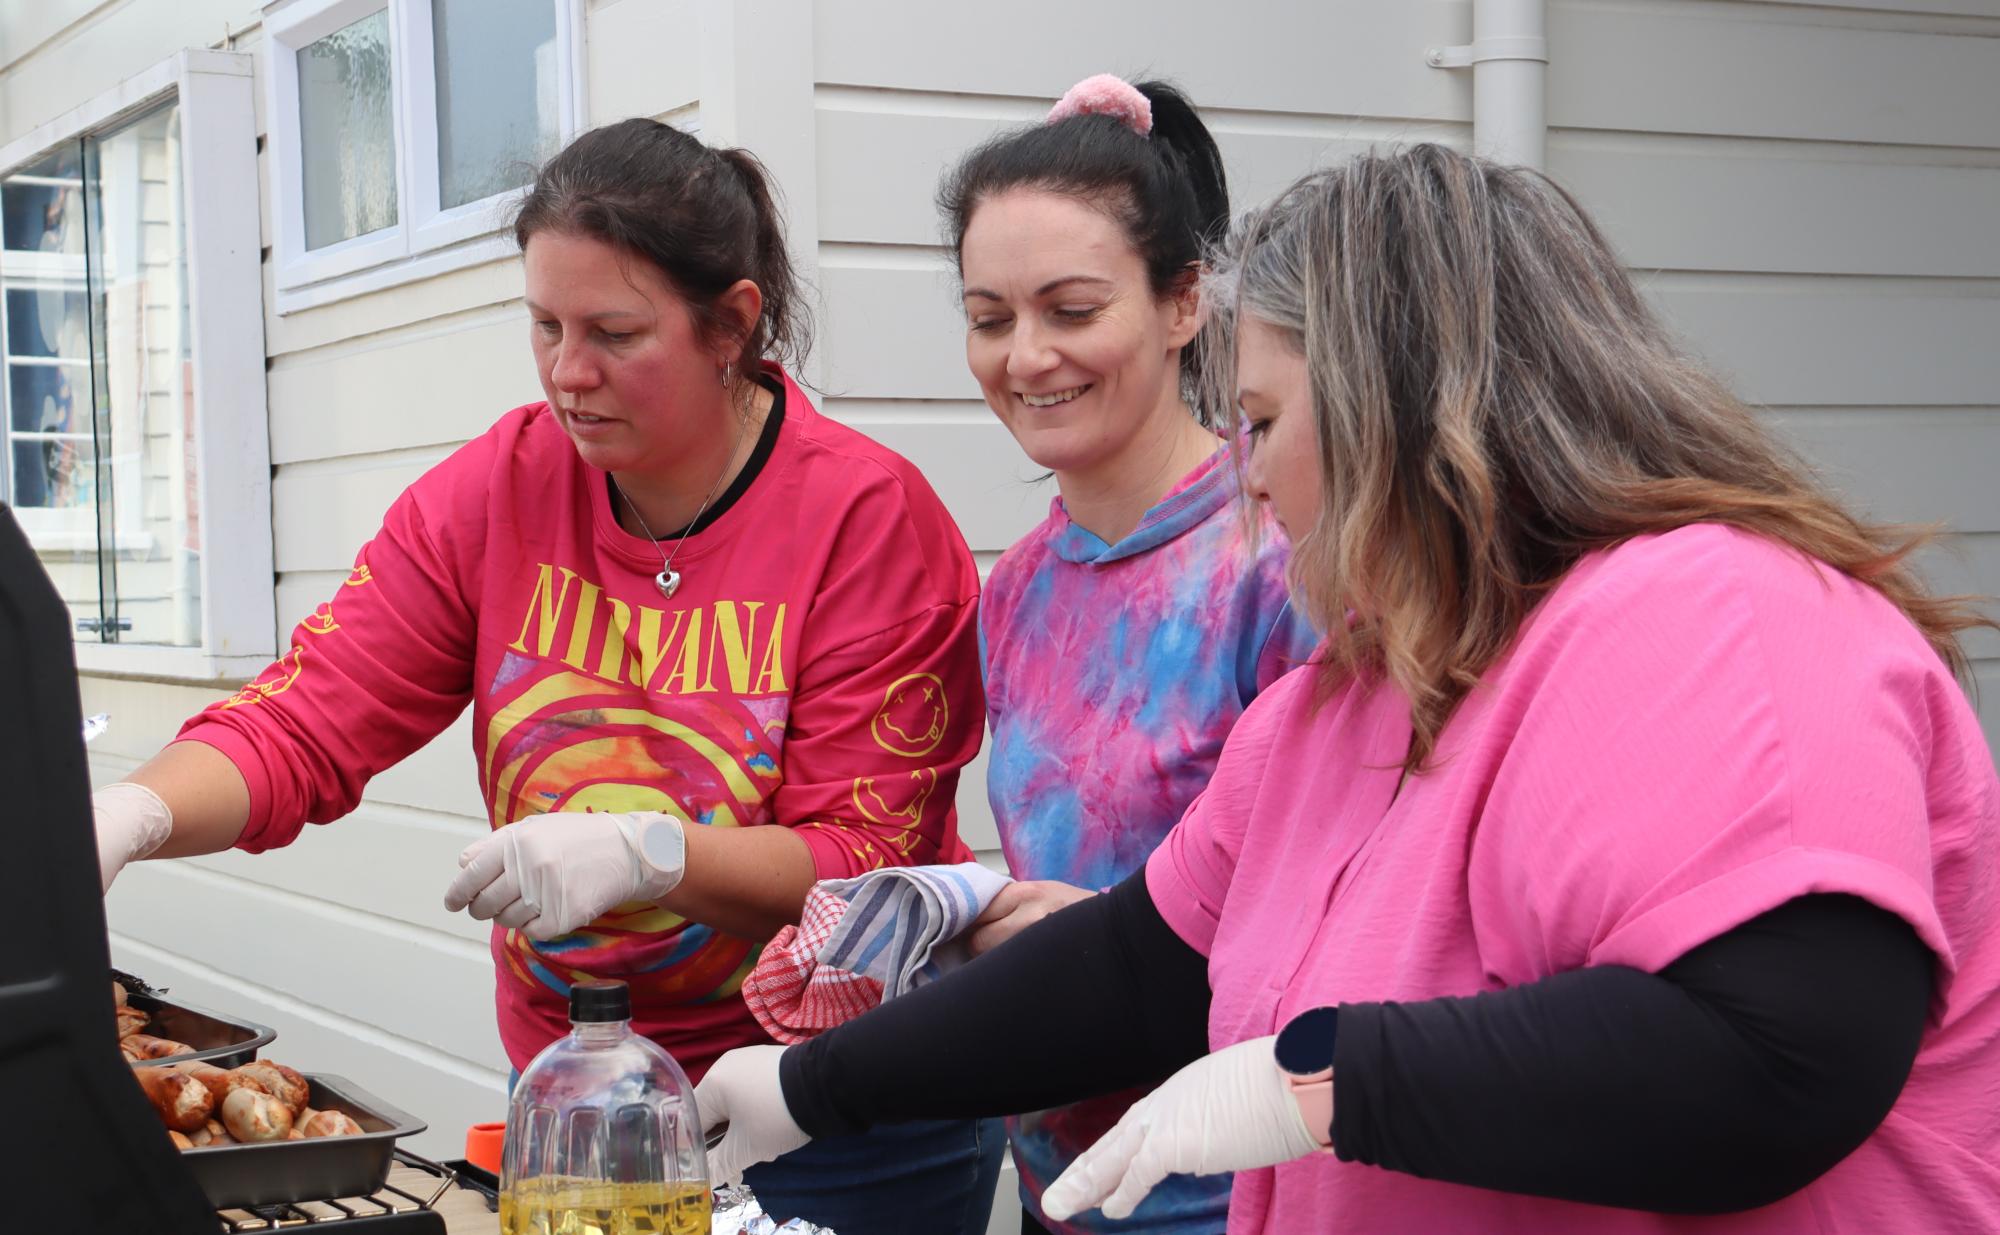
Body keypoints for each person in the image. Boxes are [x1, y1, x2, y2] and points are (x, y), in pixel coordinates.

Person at [693, 144, 2000, 1232]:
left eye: (1264, 420)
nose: (1246, 477)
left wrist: (1315, 1080)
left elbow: (1777, 1057)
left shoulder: (1722, 617)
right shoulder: (1354, 692)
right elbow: (1139, 966)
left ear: (1401, 409)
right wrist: (813, 1084)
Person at [88, 118, 1003, 1234]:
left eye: (615, 333)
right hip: (588, 1096)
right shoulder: (498, 491)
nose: (569, 373)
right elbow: (311, 716)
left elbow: (867, 863)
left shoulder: (864, 520)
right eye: (545, 325)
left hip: (830, 1108)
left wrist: (646, 850)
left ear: (732, 323)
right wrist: (133, 811)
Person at [942, 75, 1315, 1235]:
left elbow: (1341, 915)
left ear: (1180, 302)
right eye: (990, 317)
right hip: (1059, 1179)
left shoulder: (1278, 560)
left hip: (1240, 1188)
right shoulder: (1014, 587)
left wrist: (1102, 944)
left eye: (1070, 308)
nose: (1027, 355)